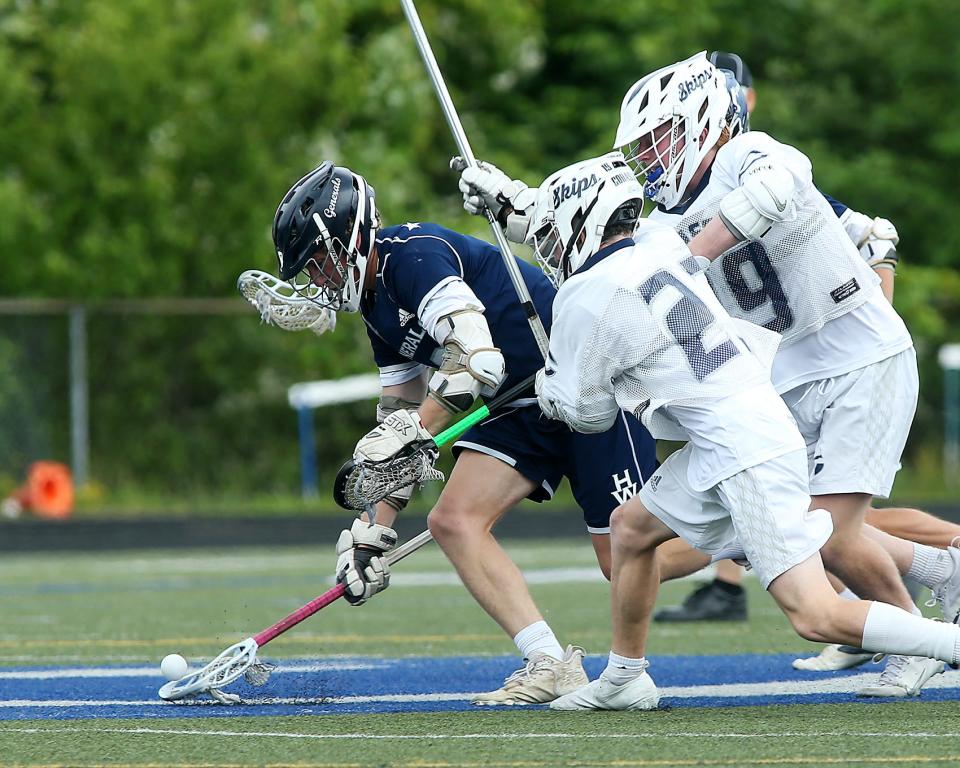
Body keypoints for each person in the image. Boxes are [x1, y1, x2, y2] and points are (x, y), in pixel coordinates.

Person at [457, 52, 960, 698]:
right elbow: (589, 220)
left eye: (660, 137)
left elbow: (781, 182)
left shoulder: (740, 156)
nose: (650, 157)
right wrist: (513, 204)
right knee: (643, 531)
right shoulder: (660, 227)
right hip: (782, 377)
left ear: (699, 117)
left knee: (826, 546)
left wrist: (693, 257)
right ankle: (625, 676)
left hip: (855, 353)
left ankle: (922, 620)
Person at [270, 160, 658, 705]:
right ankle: (547, 661)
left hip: (576, 378)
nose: (315, 282)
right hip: (522, 404)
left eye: (317, 264)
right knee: (454, 521)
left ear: (348, 242)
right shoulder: (375, 306)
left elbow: (479, 361)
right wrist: (371, 530)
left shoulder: (414, 258)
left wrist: (416, 428)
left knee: (621, 556)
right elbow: (397, 423)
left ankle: (738, 535)